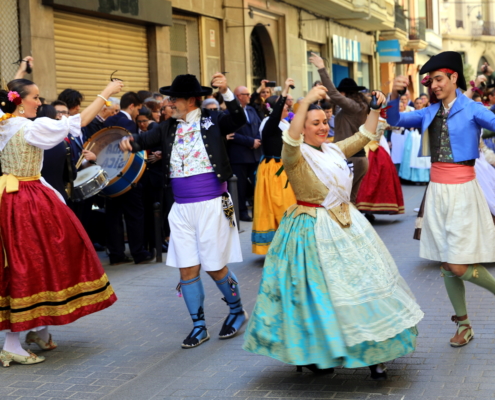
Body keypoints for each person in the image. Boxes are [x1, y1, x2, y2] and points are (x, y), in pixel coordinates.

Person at [243, 85, 423, 378]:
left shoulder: (333, 150)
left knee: (362, 285)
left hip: (347, 225)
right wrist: (306, 102)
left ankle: (374, 351)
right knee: (316, 296)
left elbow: (364, 135)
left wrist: (375, 109)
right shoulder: (294, 155)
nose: (324, 127)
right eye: (316, 123)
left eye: (325, 122)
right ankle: (318, 353)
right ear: (302, 127)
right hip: (310, 230)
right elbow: (289, 136)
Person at [0, 73, 122, 367]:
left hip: (9, 197)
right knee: (33, 262)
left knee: (27, 260)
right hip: (27, 199)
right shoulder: (30, 128)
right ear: (20, 102)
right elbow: (78, 123)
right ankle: (12, 343)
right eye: (35, 97)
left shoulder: (3, 123)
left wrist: (19, 72)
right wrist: (107, 91)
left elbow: (7, 97)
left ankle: (39, 331)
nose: (40, 102)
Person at [119, 73, 247, 349]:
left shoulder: (213, 120)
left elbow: (239, 119)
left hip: (213, 204)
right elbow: (144, 139)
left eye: (174, 98)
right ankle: (199, 326)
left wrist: (226, 91)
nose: (169, 102)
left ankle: (237, 311)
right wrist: (129, 141)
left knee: (214, 267)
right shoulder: (167, 127)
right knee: (187, 268)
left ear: (190, 100)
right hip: (181, 208)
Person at [387, 51, 495, 347]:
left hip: (463, 190)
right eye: (430, 81)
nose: (433, 85)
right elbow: (394, 118)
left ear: (453, 78)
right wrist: (394, 94)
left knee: (458, 265)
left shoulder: (472, 108)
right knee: (448, 265)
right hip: (437, 191)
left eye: (438, 79)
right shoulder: (428, 112)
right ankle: (464, 325)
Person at [309, 52, 369, 205]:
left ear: (344, 93)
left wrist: (322, 68)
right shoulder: (357, 106)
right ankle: (353, 228)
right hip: (357, 158)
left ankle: (346, 228)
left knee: (342, 199)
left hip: (351, 158)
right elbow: (332, 97)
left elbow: (334, 95)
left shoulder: (352, 107)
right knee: (350, 199)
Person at [103, 92, 154, 265]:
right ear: (132, 106)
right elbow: (133, 150)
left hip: (109, 175)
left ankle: (116, 254)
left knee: (113, 216)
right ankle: (138, 252)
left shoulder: (109, 121)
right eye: (138, 108)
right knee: (134, 215)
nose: (137, 113)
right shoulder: (129, 125)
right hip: (127, 175)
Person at [251, 79, 297, 254]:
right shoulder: (269, 123)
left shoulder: (284, 123)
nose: (287, 108)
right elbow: (276, 113)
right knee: (279, 204)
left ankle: (287, 242)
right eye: (284, 106)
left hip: (284, 167)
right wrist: (284, 90)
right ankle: (279, 243)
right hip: (273, 170)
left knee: (288, 203)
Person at [230, 85, 262, 222]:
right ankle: (242, 211)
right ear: (239, 96)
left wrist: (258, 140)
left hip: (255, 154)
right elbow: (232, 134)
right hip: (240, 155)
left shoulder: (251, 109)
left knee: (257, 184)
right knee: (240, 187)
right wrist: (250, 142)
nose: (250, 96)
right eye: (247, 94)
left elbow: (259, 126)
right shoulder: (230, 112)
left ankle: (258, 211)